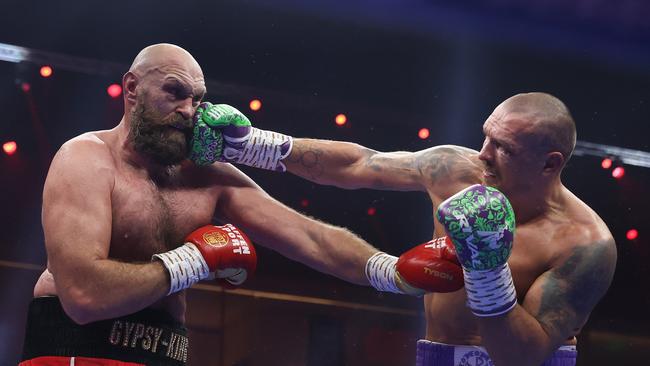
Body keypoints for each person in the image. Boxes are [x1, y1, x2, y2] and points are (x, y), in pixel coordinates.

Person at [20, 44, 461, 366]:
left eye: (197, 99)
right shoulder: (86, 159)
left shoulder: (207, 176)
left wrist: (393, 272)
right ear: (132, 88)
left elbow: (309, 237)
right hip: (73, 352)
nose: (189, 110)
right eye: (174, 92)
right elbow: (81, 297)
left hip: (166, 351)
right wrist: (192, 261)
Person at [199, 92, 617, 366]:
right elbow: (357, 163)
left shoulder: (585, 245)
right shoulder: (456, 169)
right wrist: (249, 145)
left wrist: (487, 269)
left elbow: (523, 356)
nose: (483, 155)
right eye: (486, 137)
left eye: (503, 148)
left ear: (550, 163)